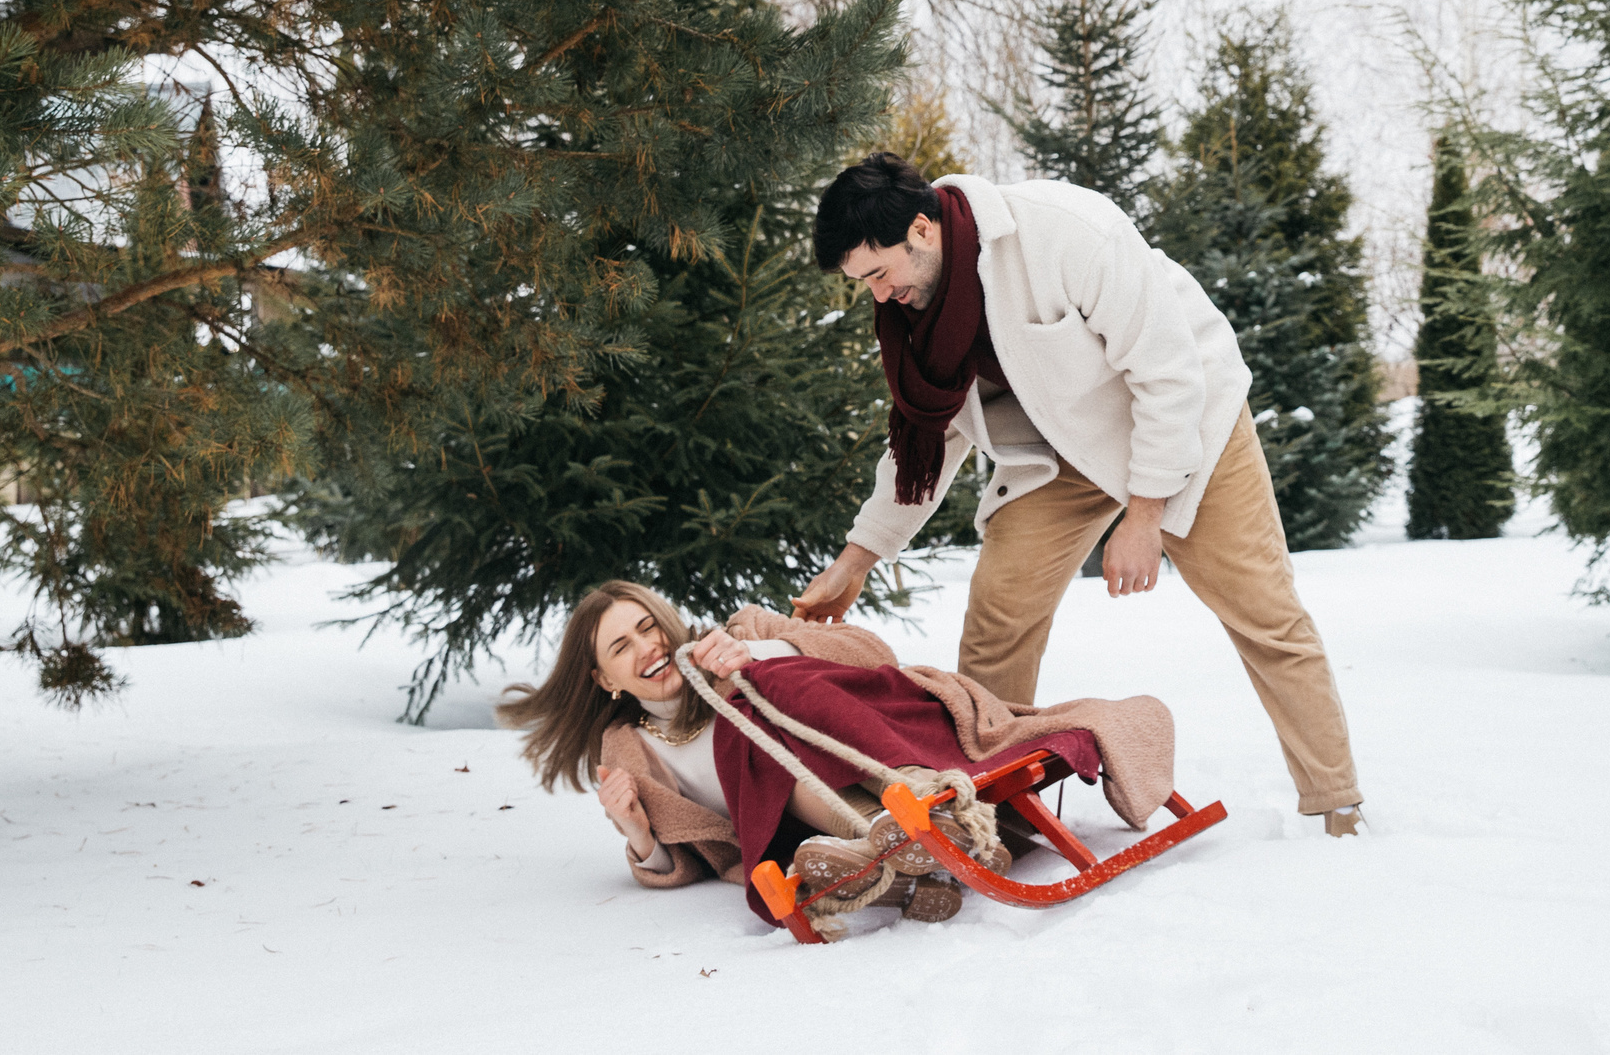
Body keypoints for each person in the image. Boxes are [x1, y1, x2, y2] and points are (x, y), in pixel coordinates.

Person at [790, 154, 1366, 835]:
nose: (878, 295)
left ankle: (1336, 801)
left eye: (877, 273)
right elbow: (928, 438)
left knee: (1261, 605)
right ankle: (986, 813)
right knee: (1000, 608)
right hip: (1057, 451)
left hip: (1180, 418)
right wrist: (858, 557)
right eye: (864, 284)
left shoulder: (1063, 232)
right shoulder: (917, 310)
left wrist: (1145, 511)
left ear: (921, 229)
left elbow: (1169, 371)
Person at [497, 580, 1178, 932]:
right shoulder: (629, 753)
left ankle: (909, 818)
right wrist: (640, 835)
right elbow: (698, 853)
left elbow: (871, 658)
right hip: (789, 830)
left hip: (899, 748)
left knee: (757, 692)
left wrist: (762, 654)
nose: (646, 647)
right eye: (621, 647)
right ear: (604, 680)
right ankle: (903, 846)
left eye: (648, 625)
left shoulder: (741, 634)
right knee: (748, 746)